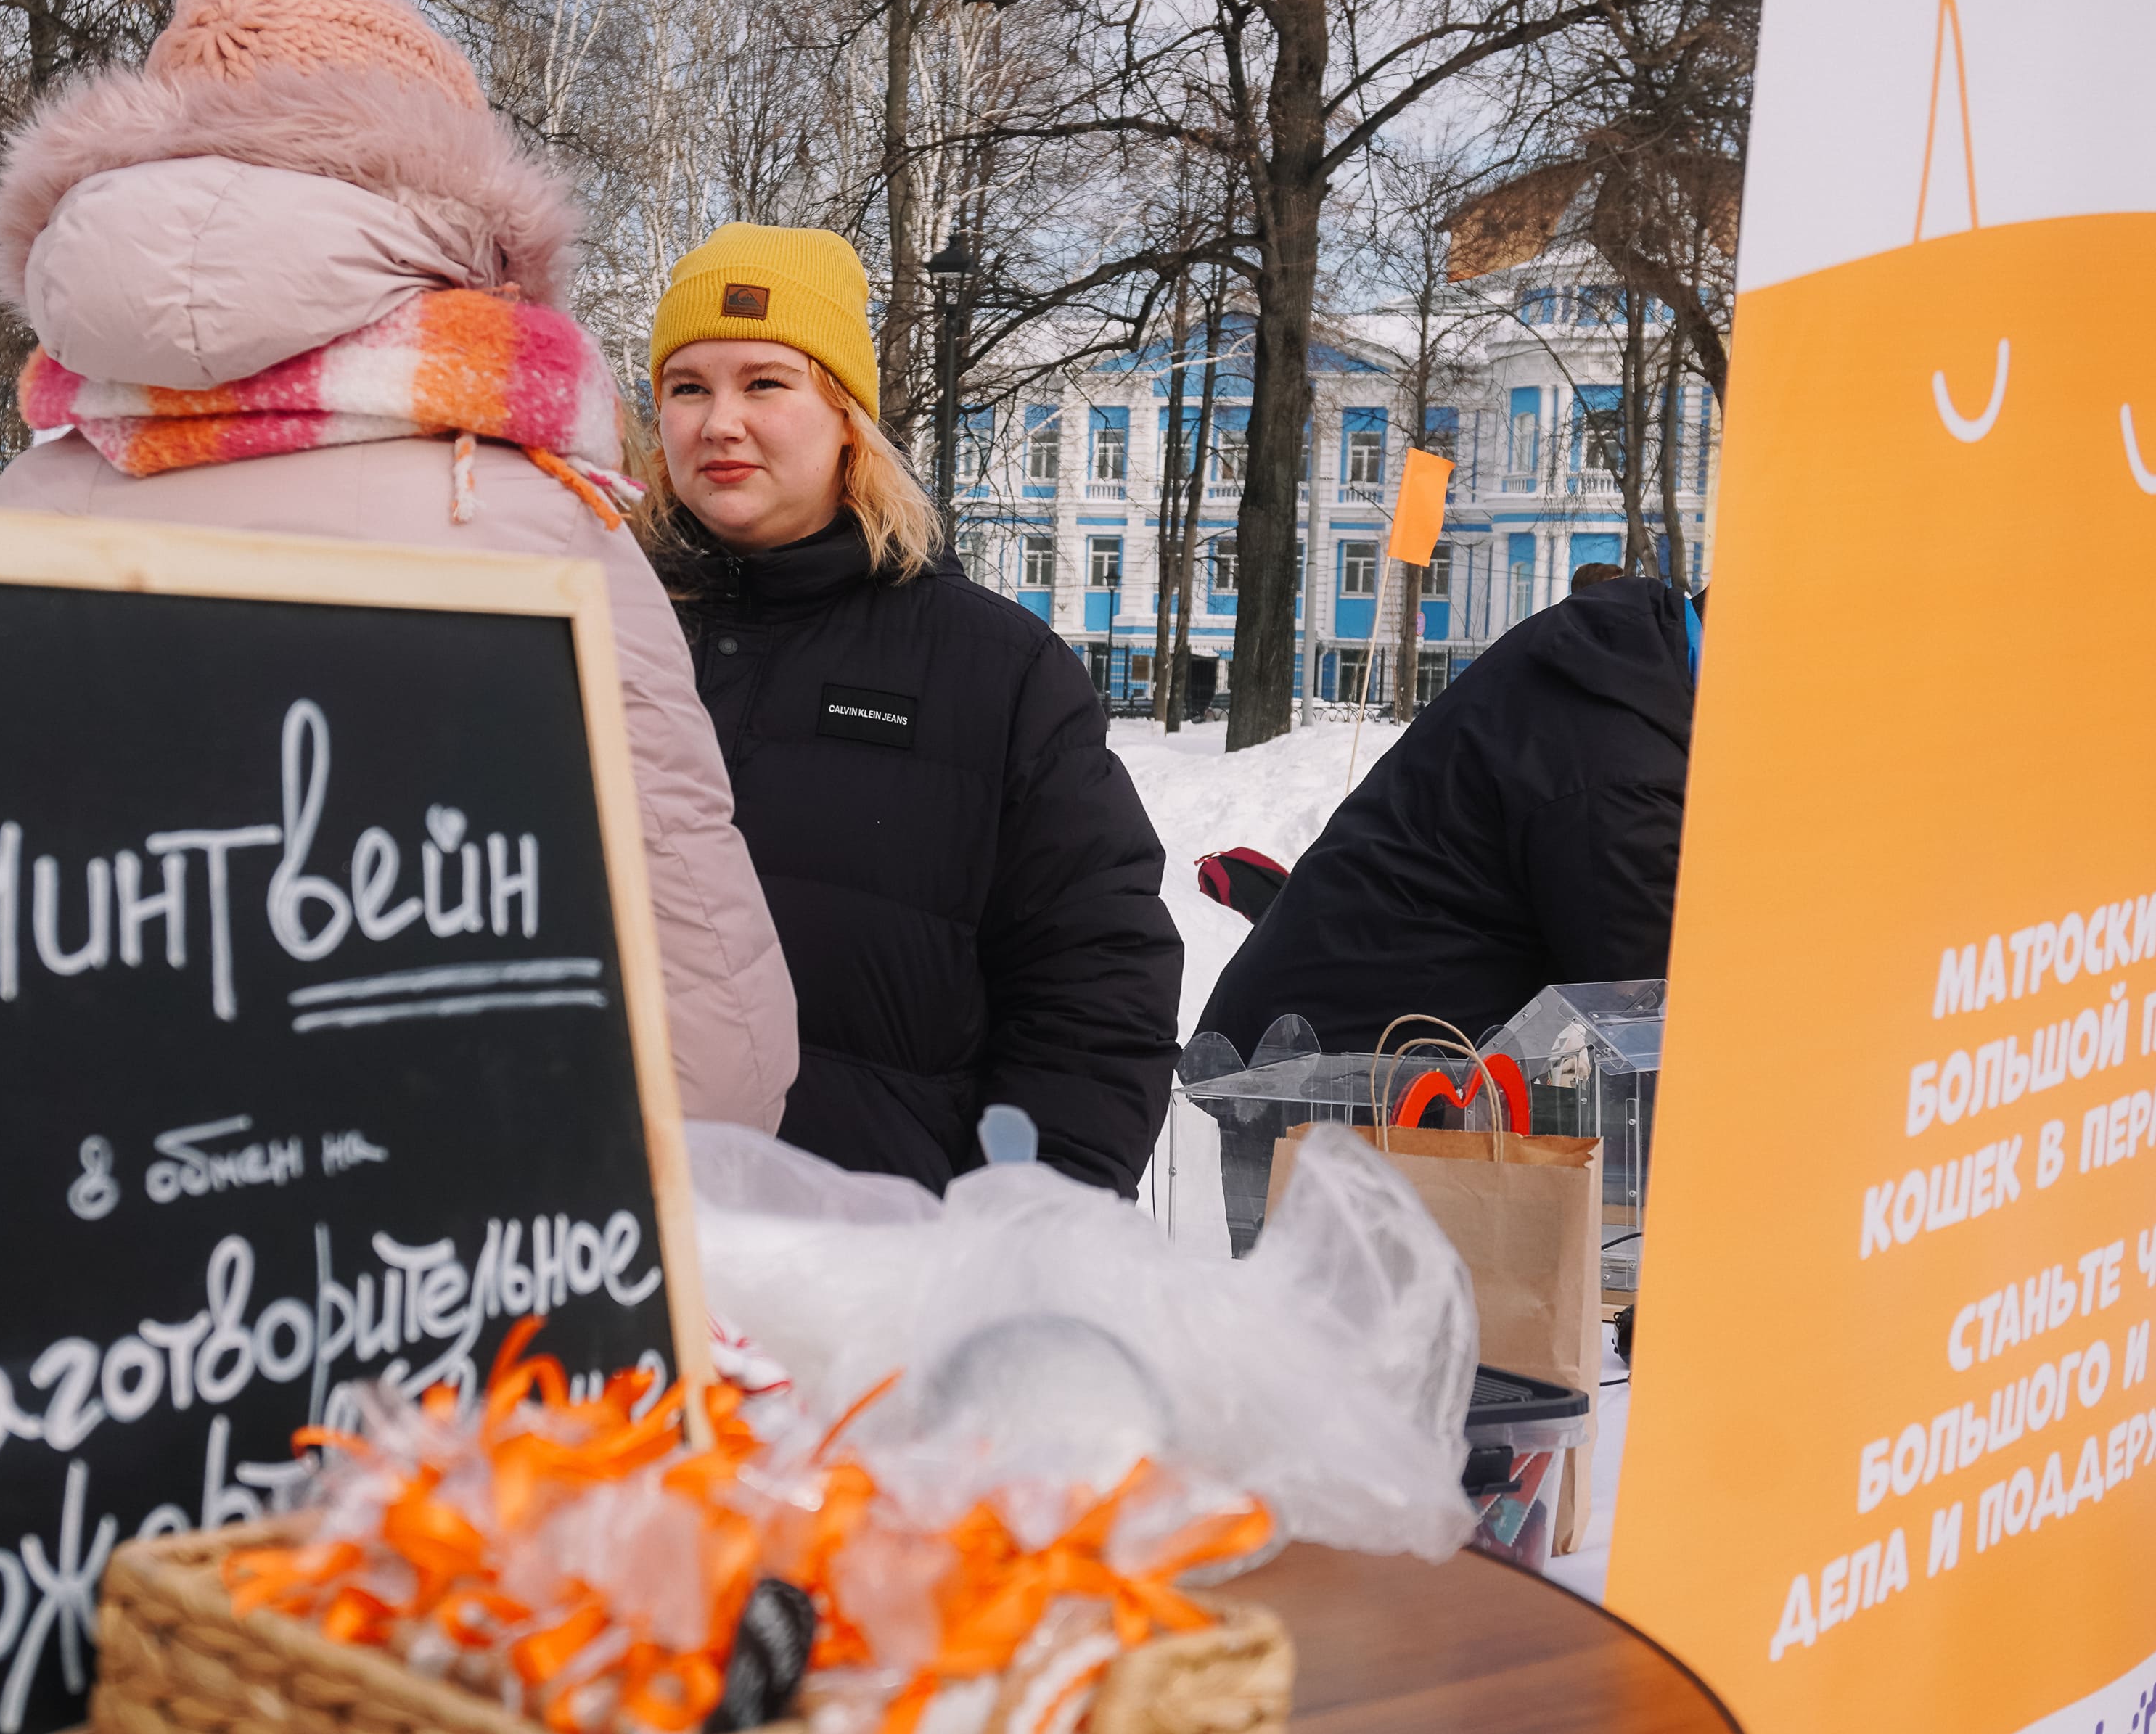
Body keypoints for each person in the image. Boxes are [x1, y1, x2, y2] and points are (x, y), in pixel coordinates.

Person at [0, 0, 798, 1130]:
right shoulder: (534, 510)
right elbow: (711, 1034)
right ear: (450, 179)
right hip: (435, 1214)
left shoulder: (23, 500)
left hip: (106, 1199)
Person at [637, 223, 1181, 1193]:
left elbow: (1094, 981)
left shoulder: (998, 670)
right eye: (689, 387)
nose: (719, 422)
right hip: (593, 1253)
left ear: (847, 413)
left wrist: (1028, 1219)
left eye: (765, 382)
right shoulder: (591, 628)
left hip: (875, 1274)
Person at [1198, 575, 1700, 1056]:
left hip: (1343, 1023)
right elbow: (1648, 1010)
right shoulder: (1619, 772)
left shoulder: (1630, 656)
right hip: (1331, 1062)